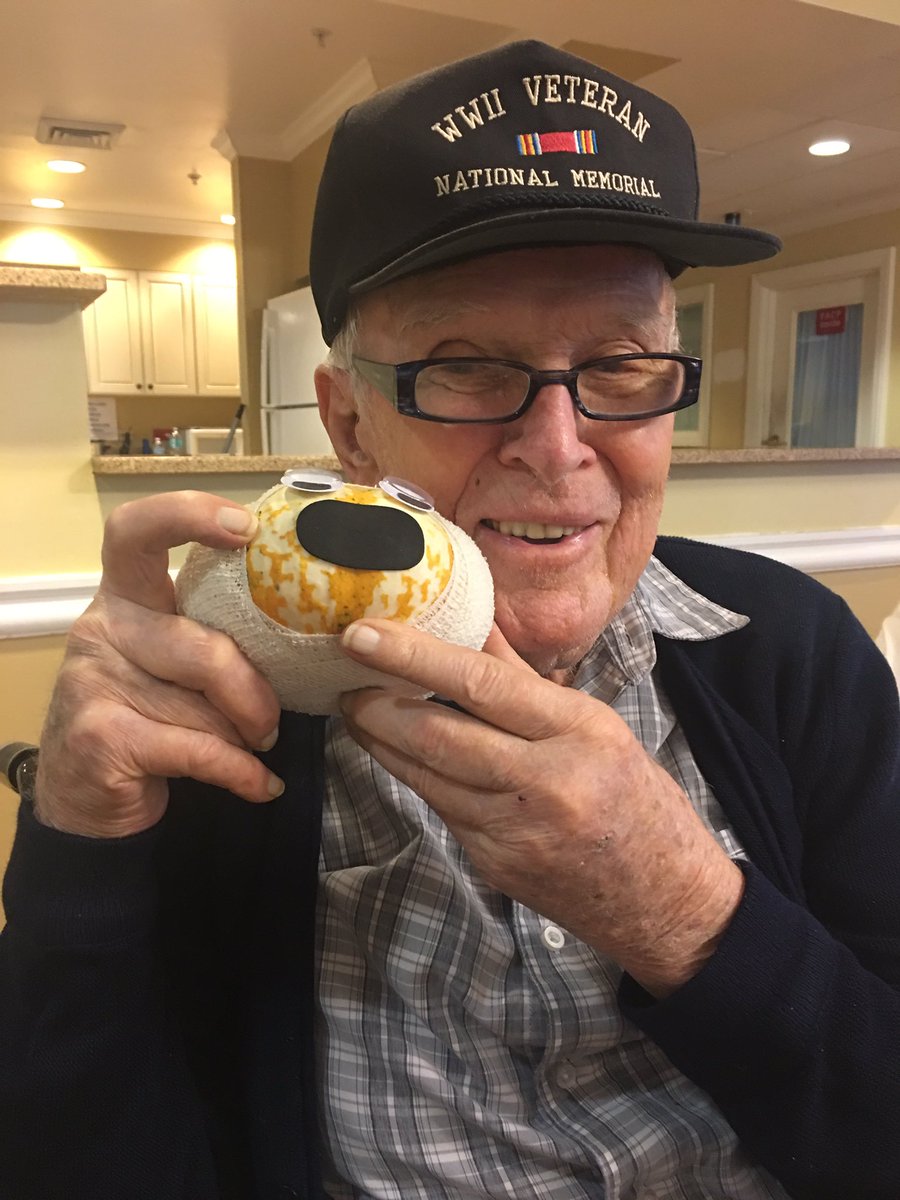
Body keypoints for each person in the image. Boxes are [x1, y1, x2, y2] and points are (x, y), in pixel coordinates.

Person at [2, 38, 899, 1200]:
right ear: (351, 426)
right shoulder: (225, 707)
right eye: (469, 368)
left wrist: (686, 911)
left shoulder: (792, 651)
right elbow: (71, 1155)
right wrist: (79, 840)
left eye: (623, 366)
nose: (562, 446)